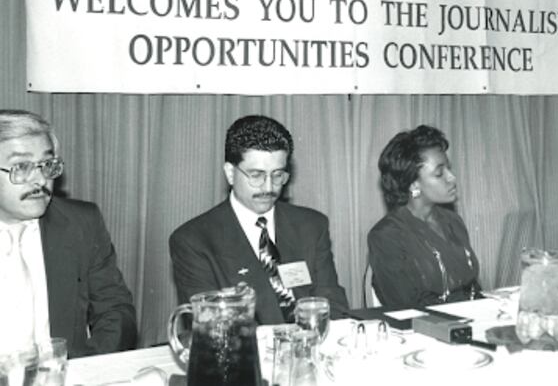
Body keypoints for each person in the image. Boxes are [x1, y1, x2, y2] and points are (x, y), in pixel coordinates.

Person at [169, 115, 348, 324]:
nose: (269, 187)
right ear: (230, 173)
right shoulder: (193, 240)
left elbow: (333, 307)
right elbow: (210, 326)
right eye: (256, 175)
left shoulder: (312, 226)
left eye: (278, 175)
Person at [0, 110, 137, 357]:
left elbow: (115, 310)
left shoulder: (80, 223)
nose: (40, 180)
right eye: (21, 167)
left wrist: (86, 369)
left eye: (47, 165)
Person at [368, 125, 480, 309]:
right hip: (427, 324)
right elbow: (405, 307)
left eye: (449, 169)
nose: (452, 178)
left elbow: (471, 288)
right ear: (413, 184)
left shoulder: (453, 221)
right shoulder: (387, 236)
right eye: (439, 173)